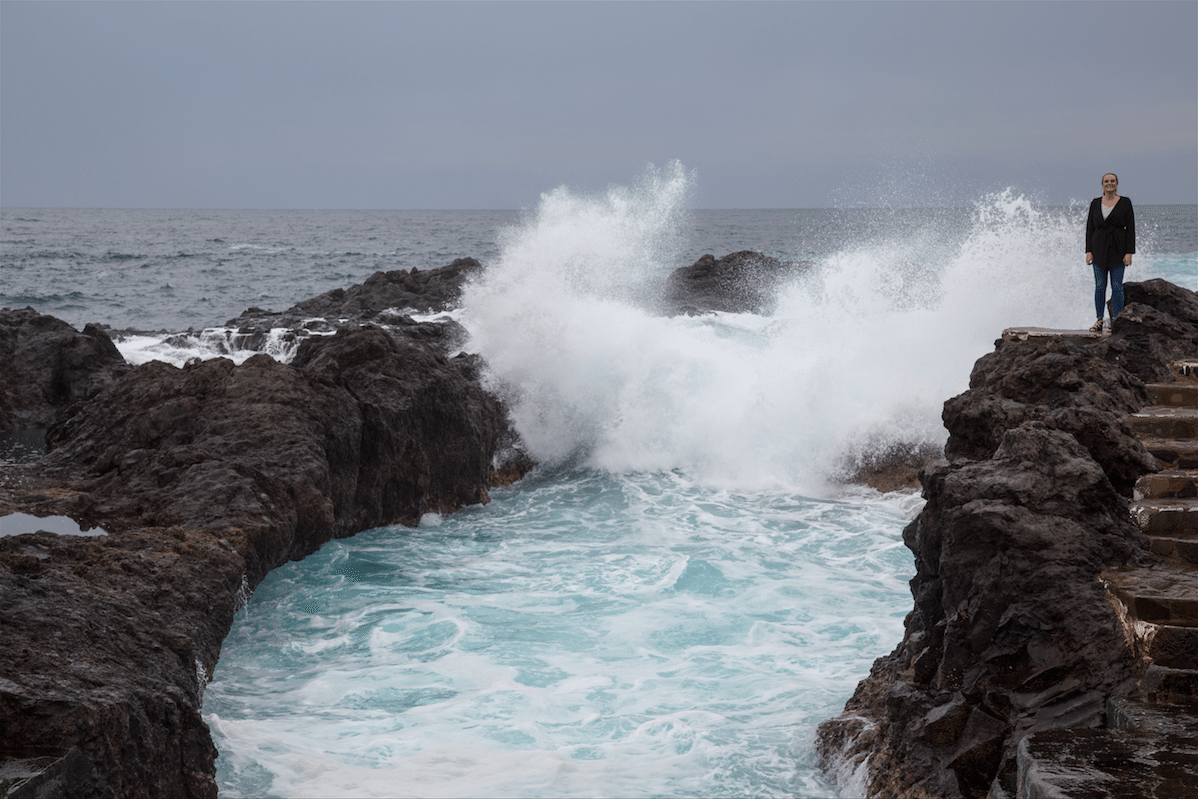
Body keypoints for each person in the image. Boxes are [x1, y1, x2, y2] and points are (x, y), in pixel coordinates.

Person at [1084, 173, 1135, 333]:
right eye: (1106, 181)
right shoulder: (1095, 203)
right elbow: (1089, 228)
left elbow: (1131, 229)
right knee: (1100, 286)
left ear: (1117, 184)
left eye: (1112, 181)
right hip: (1098, 250)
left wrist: (1129, 252)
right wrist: (1088, 251)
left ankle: (1116, 321)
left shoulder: (1125, 203)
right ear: (1102, 185)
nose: (1109, 183)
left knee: (1117, 287)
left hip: (1118, 251)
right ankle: (1099, 320)